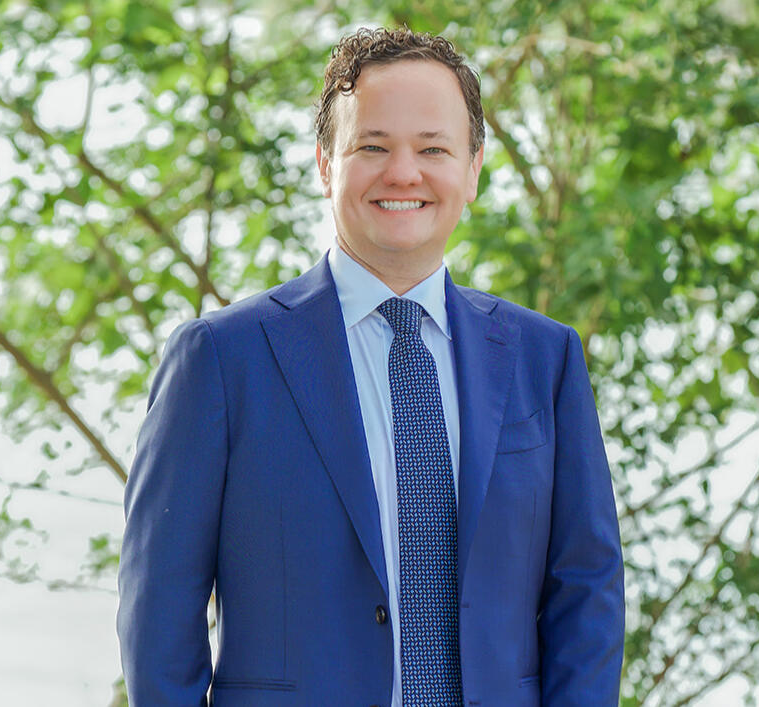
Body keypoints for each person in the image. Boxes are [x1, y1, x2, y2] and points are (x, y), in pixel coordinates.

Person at [117, 26, 624, 707]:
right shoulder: (220, 358)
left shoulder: (545, 358)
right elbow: (159, 609)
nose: (404, 173)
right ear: (326, 164)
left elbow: (587, 589)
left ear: (473, 168)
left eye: (433, 149)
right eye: (373, 147)